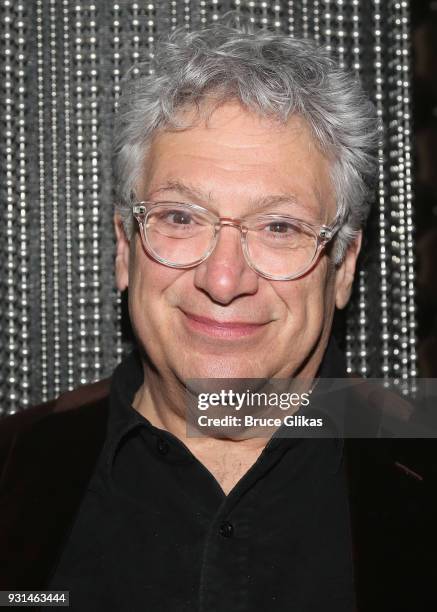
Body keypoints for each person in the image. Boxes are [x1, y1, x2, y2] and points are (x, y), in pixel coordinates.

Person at [1, 20, 436, 612]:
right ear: (125, 248)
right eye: (182, 218)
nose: (224, 279)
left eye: (280, 227)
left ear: (343, 267)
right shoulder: (14, 472)